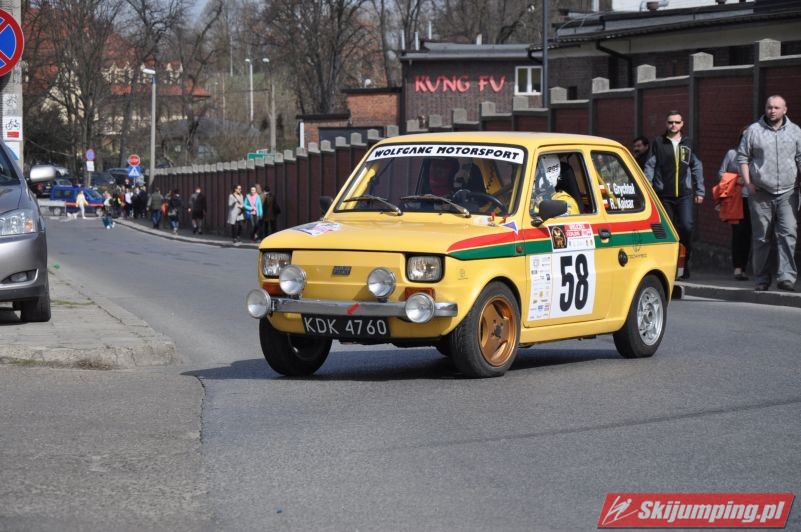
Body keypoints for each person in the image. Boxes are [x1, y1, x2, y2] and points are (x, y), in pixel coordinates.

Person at [737, 94, 801, 292]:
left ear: (785, 110)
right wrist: (748, 184)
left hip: (788, 192)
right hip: (761, 192)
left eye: (776, 107)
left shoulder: (795, 131)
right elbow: (743, 158)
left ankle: (786, 278)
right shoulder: (753, 131)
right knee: (762, 237)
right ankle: (762, 279)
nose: (772, 111)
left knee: (788, 234)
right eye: (769, 107)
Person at [644, 110, 705, 279]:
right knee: (667, 232)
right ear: (666, 124)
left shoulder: (689, 143)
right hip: (664, 195)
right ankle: (668, 267)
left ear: (682, 124)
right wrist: (649, 188)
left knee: (686, 227)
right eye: (670, 122)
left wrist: (700, 190)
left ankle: (684, 264)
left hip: (685, 194)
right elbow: (649, 166)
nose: (673, 125)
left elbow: (697, 166)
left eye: (677, 122)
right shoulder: (658, 142)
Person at [716, 129, 751, 281]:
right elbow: (721, 173)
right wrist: (736, 179)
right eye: (743, 137)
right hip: (736, 199)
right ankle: (738, 267)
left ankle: (745, 267)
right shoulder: (732, 154)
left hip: (753, 199)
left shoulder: (757, 156)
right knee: (738, 232)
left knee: (749, 233)